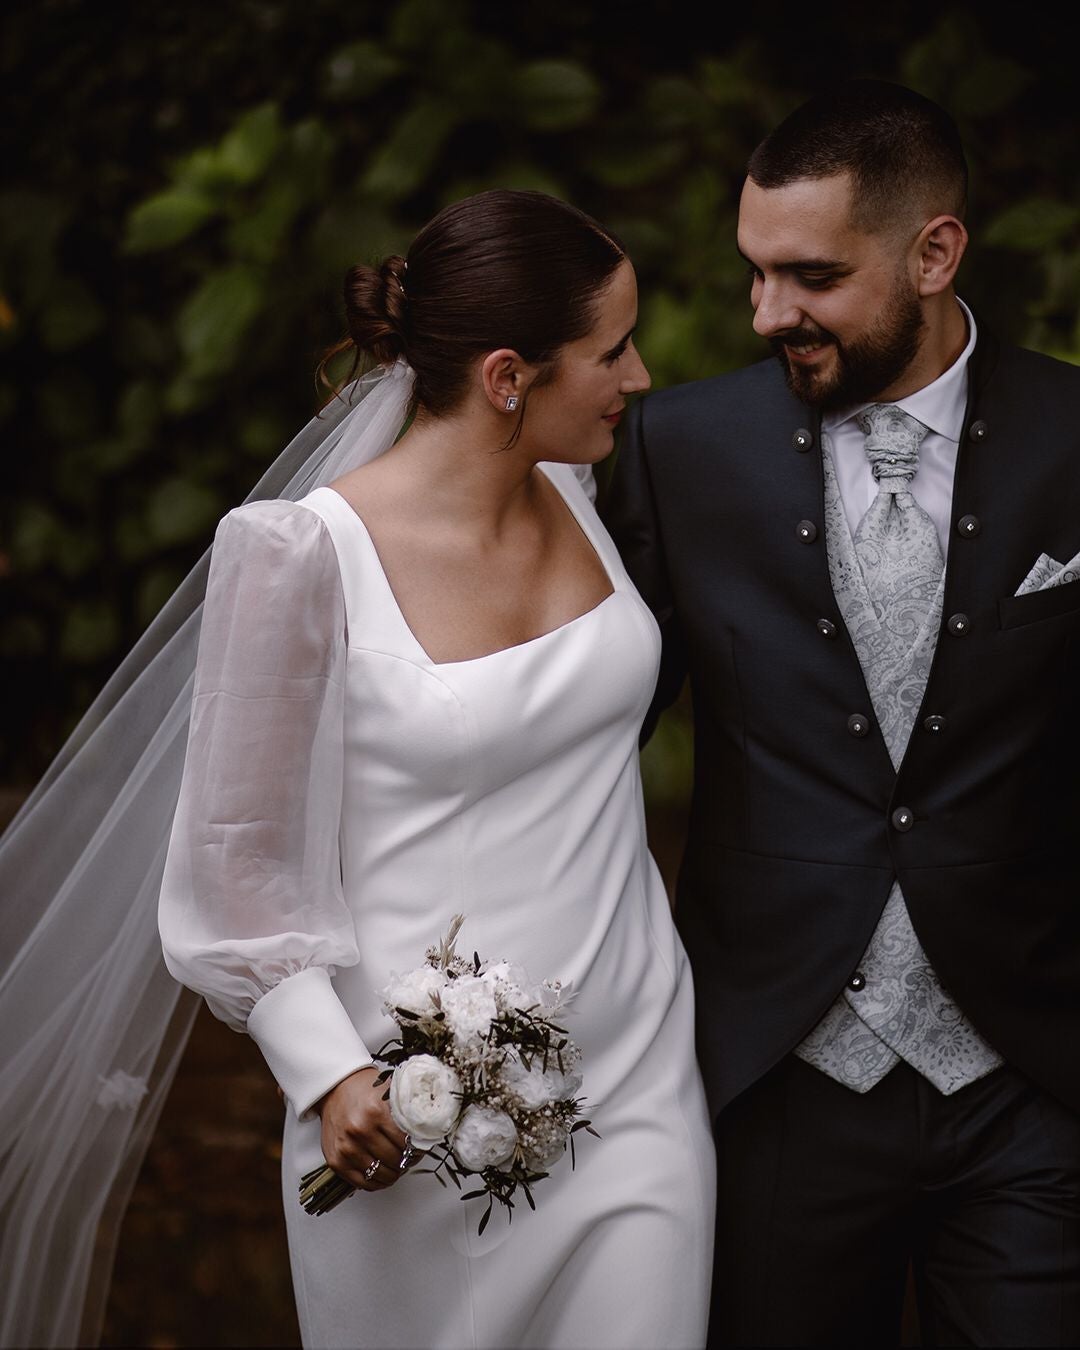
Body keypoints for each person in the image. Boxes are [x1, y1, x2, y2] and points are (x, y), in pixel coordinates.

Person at [156, 189, 715, 1350]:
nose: (641, 376)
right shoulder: (299, 556)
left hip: (637, 1085)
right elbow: (237, 856)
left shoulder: (575, 487)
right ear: (509, 375)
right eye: (611, 350)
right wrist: (330, 1075)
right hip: (410, 1119)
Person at [605, 81, 1080, 1348]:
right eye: (756, 275)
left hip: (1035, 1079)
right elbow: (588, 737)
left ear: (935, 251)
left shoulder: (1075, 437)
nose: (769, 314)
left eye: (810, 276)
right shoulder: (675, 450)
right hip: (776, 1080)